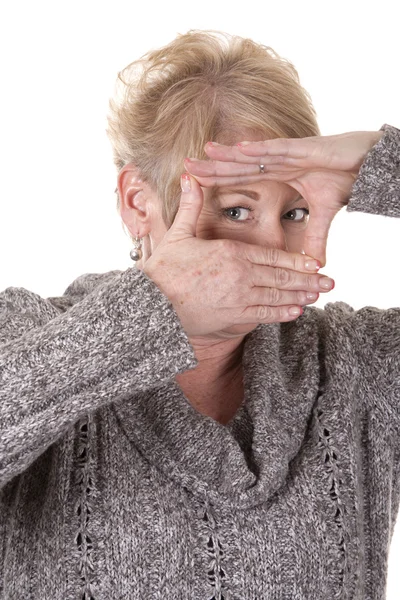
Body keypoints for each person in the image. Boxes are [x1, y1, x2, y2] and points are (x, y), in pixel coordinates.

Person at [0, 29, 398, 600]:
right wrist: (149, 311)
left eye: (295, 211)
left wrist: (381, 165)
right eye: (236, 209)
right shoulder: (26, 335)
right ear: (139, 202)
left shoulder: (360, 365)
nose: (277, 246)